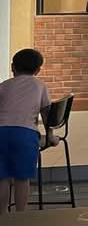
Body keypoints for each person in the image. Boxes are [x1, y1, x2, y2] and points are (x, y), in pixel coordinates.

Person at [0, 49, 53, 215]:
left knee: (2, 178)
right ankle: (20, 215)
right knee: (22, 179)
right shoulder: (40, 85)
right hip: (25, 134)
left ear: (12, 67)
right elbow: (47, 113)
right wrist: (50, 135)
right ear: (38, 70)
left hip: (1, 132)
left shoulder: (4, 85)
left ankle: (2, 217)